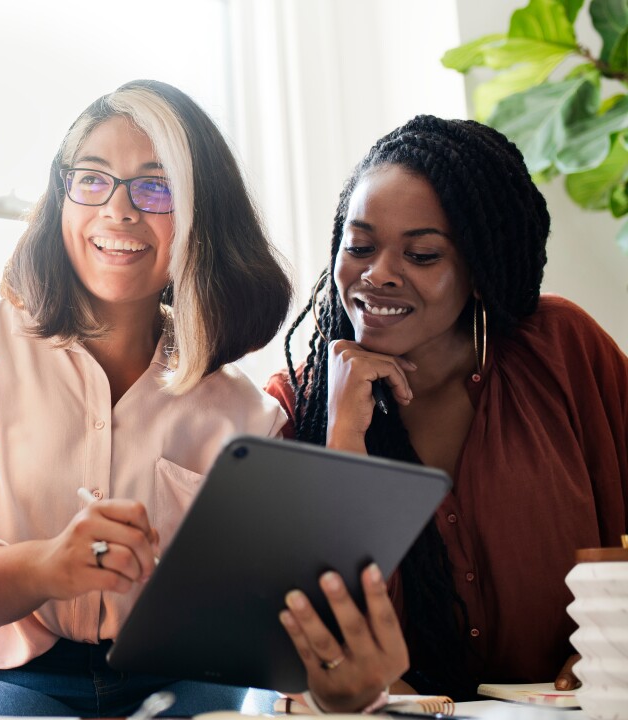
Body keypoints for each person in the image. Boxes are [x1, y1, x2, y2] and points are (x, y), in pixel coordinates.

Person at [0, 79, 294, 717]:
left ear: (203, 216)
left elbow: (264, 613)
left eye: (156, 187)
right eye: (92, 179)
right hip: (11, 675)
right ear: (60, 197)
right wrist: (46, 568)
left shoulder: (246, 415)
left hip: (184, 680)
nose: (119, 211)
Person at [267, 115, 628, 705]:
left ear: (480, 271)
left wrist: (613, 647)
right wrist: (343, 438)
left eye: (422, 254)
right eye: (358, 247)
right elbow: (305, 644)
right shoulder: (297, 407)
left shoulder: (564, 351)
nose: (377, 274)